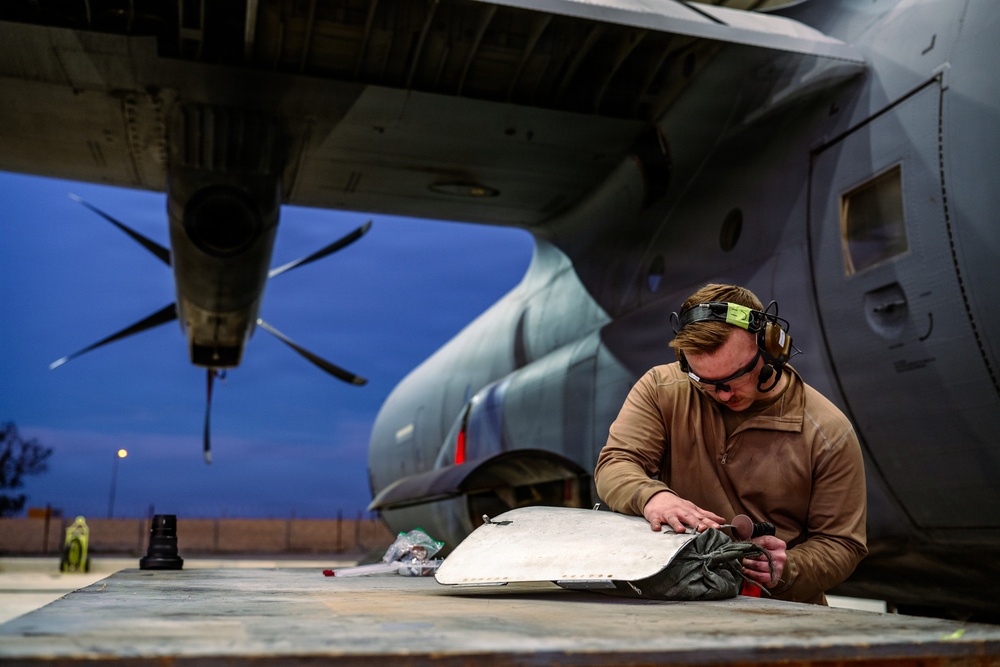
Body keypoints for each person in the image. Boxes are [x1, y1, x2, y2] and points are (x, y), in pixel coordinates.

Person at [594, 283, 867, 604]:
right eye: (705, 382)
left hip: (778, 613)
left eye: (734, 378)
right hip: (675, 600)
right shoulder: (661, 388)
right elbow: (616, 463)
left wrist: (789, 567)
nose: (722, 394)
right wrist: (652, 497)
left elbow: (843, 544)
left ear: (770, 350)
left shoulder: (827, 432)